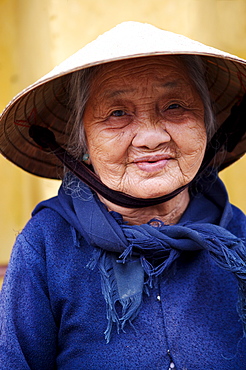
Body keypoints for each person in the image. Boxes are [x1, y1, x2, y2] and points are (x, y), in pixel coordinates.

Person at [0, 21, 246, 370]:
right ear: (83, 145)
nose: (150, 138)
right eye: (117, 114)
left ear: (205, 125)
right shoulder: (46, 245)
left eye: (175, 106)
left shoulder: (237, 238)